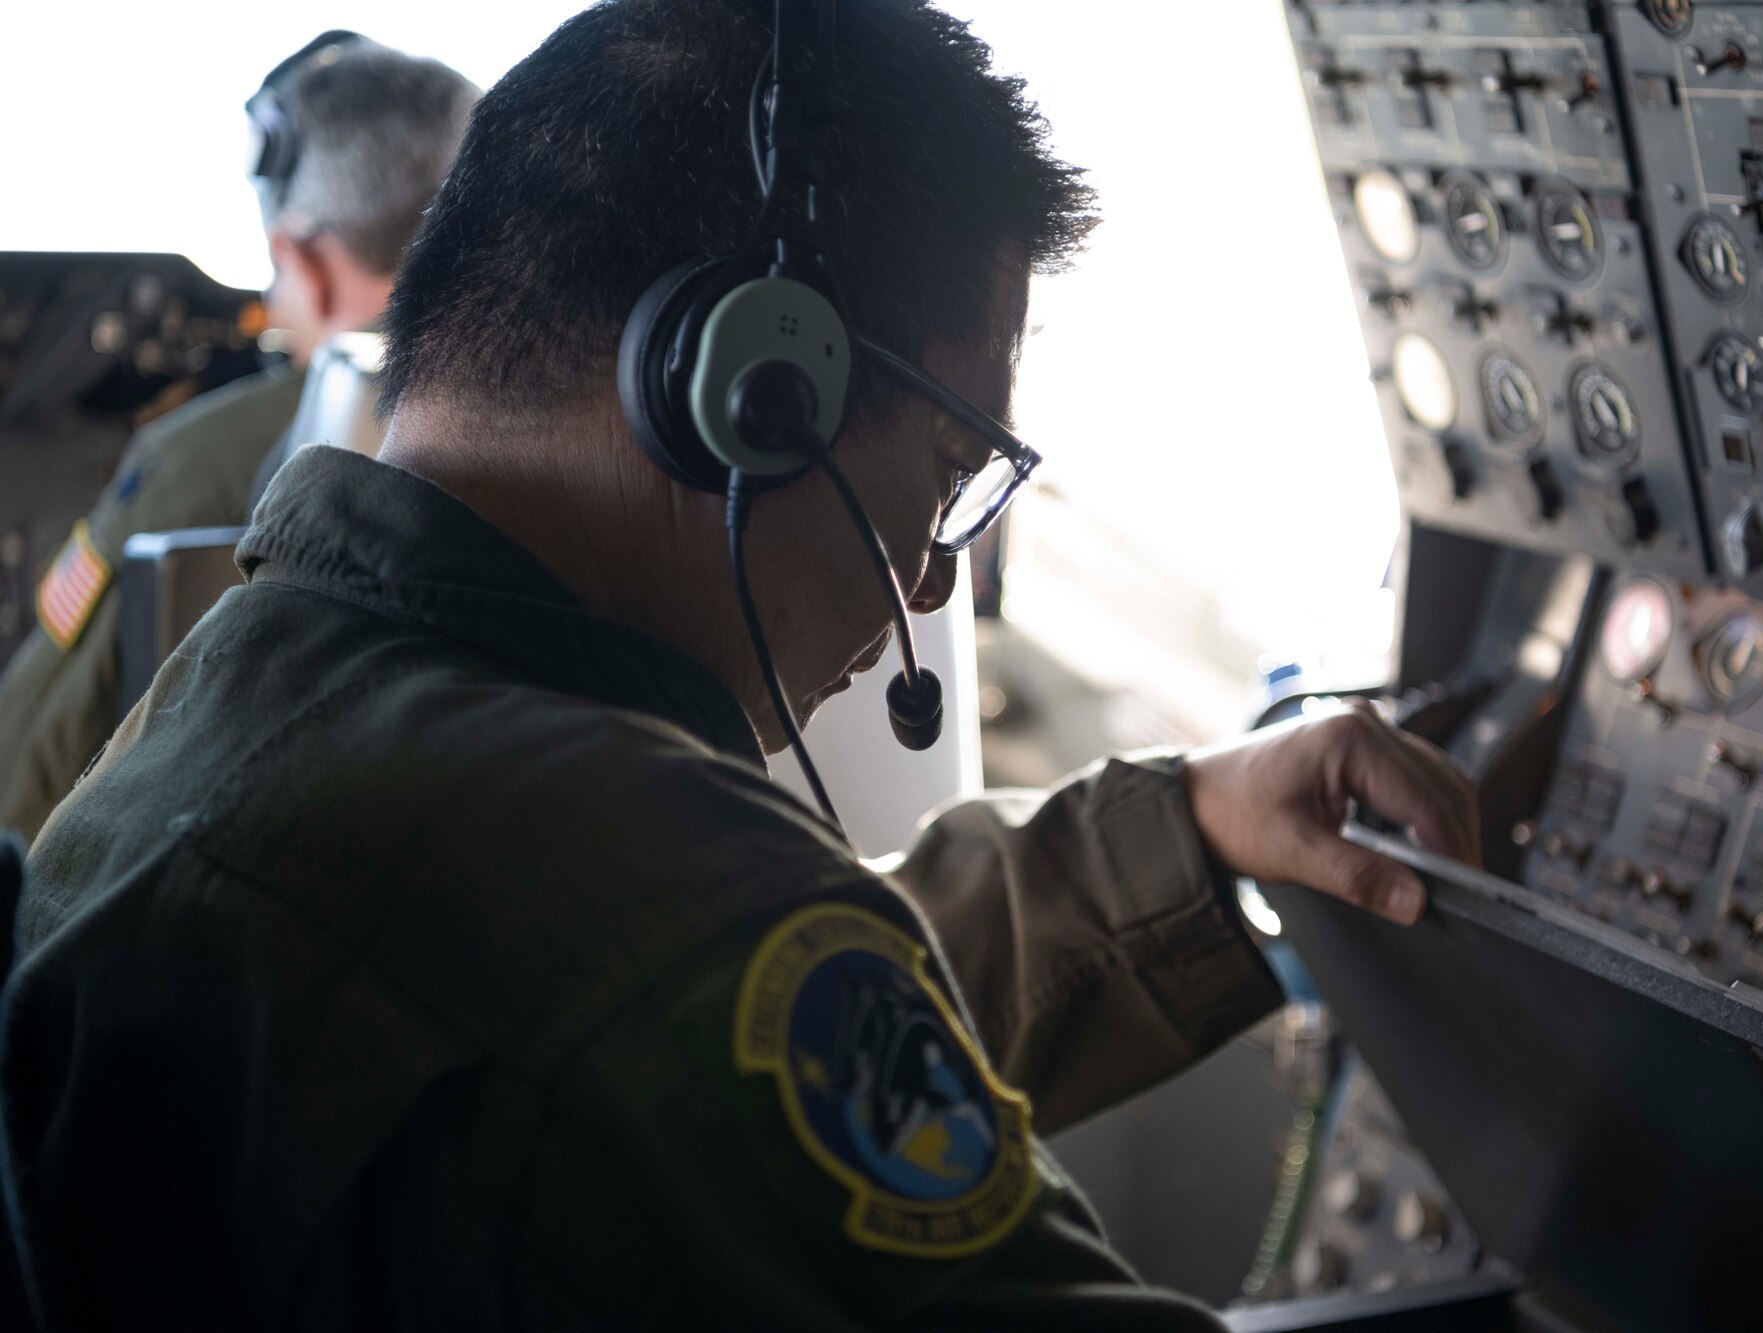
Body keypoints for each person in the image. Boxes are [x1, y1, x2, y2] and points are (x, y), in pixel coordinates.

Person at [0, 2, 1480, 1328]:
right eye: (952, 467)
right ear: (755, 392)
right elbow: (684, 989)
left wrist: (1189, 830)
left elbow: (705, 1058)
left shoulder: (260, 690)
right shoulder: (638, 894)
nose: (930, 571)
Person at [0, 32, 479, 842]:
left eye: (275, 270)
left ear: (305, 258)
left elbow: (25, 768)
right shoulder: (556, 411)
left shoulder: (200, 459)